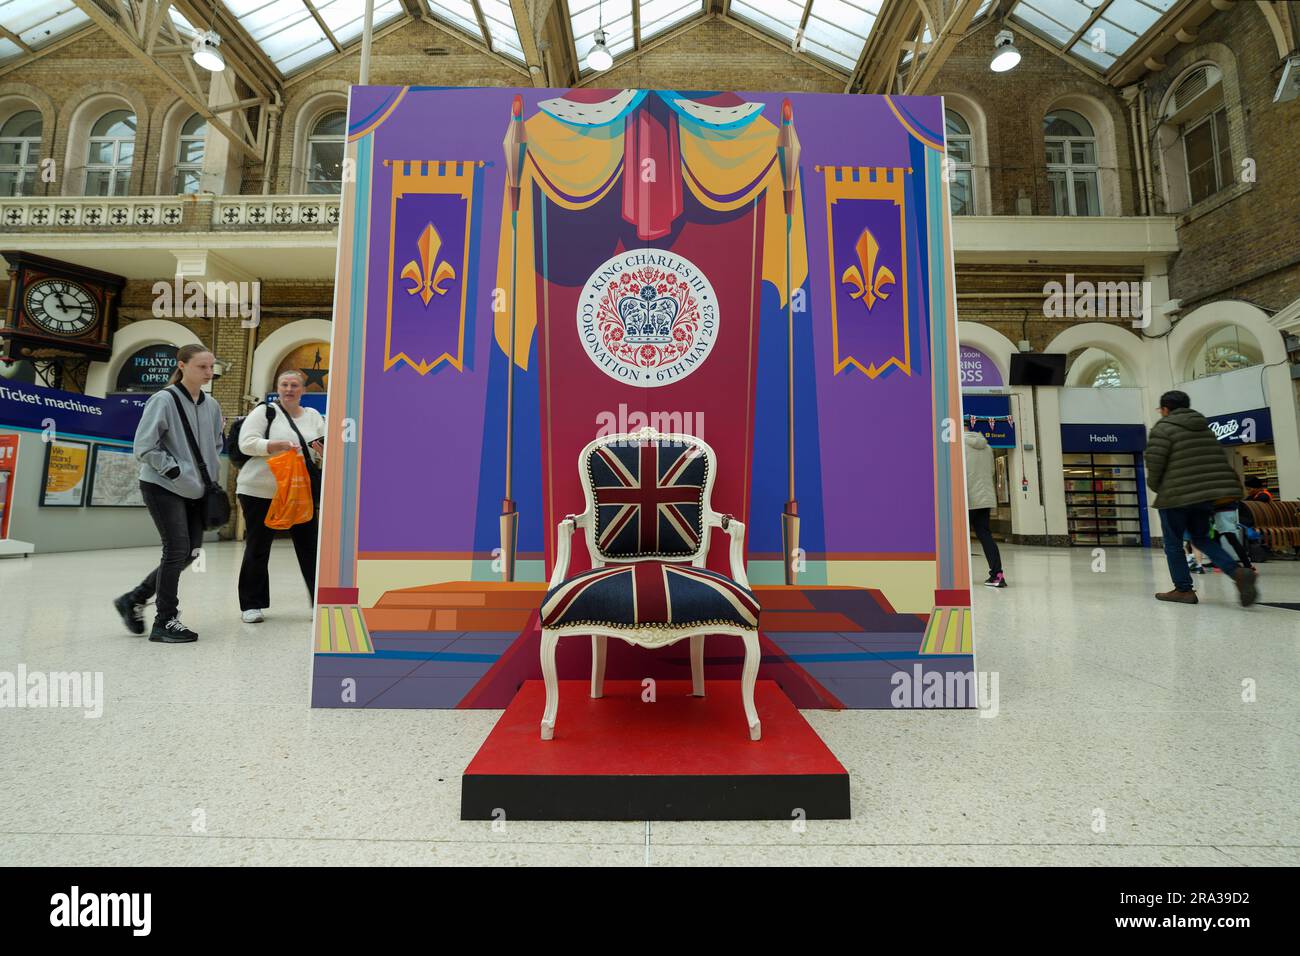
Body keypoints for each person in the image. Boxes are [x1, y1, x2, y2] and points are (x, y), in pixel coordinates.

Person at [113, 344, 224, 643]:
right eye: (202, 366)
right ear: (182, 366)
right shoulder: (163, 400)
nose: (209, 372)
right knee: (176, 548)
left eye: (211, 367)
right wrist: (175, 470)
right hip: (162, 485)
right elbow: (144, 447)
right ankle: (165, 621)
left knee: (189, 552)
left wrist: (207, 479)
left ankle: (134, 598)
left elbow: (215, 446)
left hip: (196, 489)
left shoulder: (212, 406)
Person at [1145, 390, 1257, 606]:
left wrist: (1157, 487)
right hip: (1205, 496)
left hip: (1176, 494)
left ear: (1165, 409)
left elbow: (1155, 463)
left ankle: (1184, 590)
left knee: (1173, 543)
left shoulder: (1163, 428)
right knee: (1202, 538)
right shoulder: (1204, 428)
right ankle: (1237, 573)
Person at [235, 369, 325, 623]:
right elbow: (247, 443)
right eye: (284, 384)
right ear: (277, 388)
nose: (289, 389)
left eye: (294, 385)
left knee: (309, 547)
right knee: (258, 546)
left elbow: (320, 446)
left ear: (304, 390)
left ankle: (319, 603)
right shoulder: (265, 412)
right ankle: (251, 605)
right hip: (260, 491)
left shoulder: (313, 416)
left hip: (298, 493)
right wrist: (276, 445)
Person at [964, 426, 1005, 588]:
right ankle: (997, 574)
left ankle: (957, 575)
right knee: (985, 535)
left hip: (968, 498)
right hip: (986, 498)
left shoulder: (958, 445)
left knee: (957, 538)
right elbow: (992, 471)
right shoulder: (987, 447)